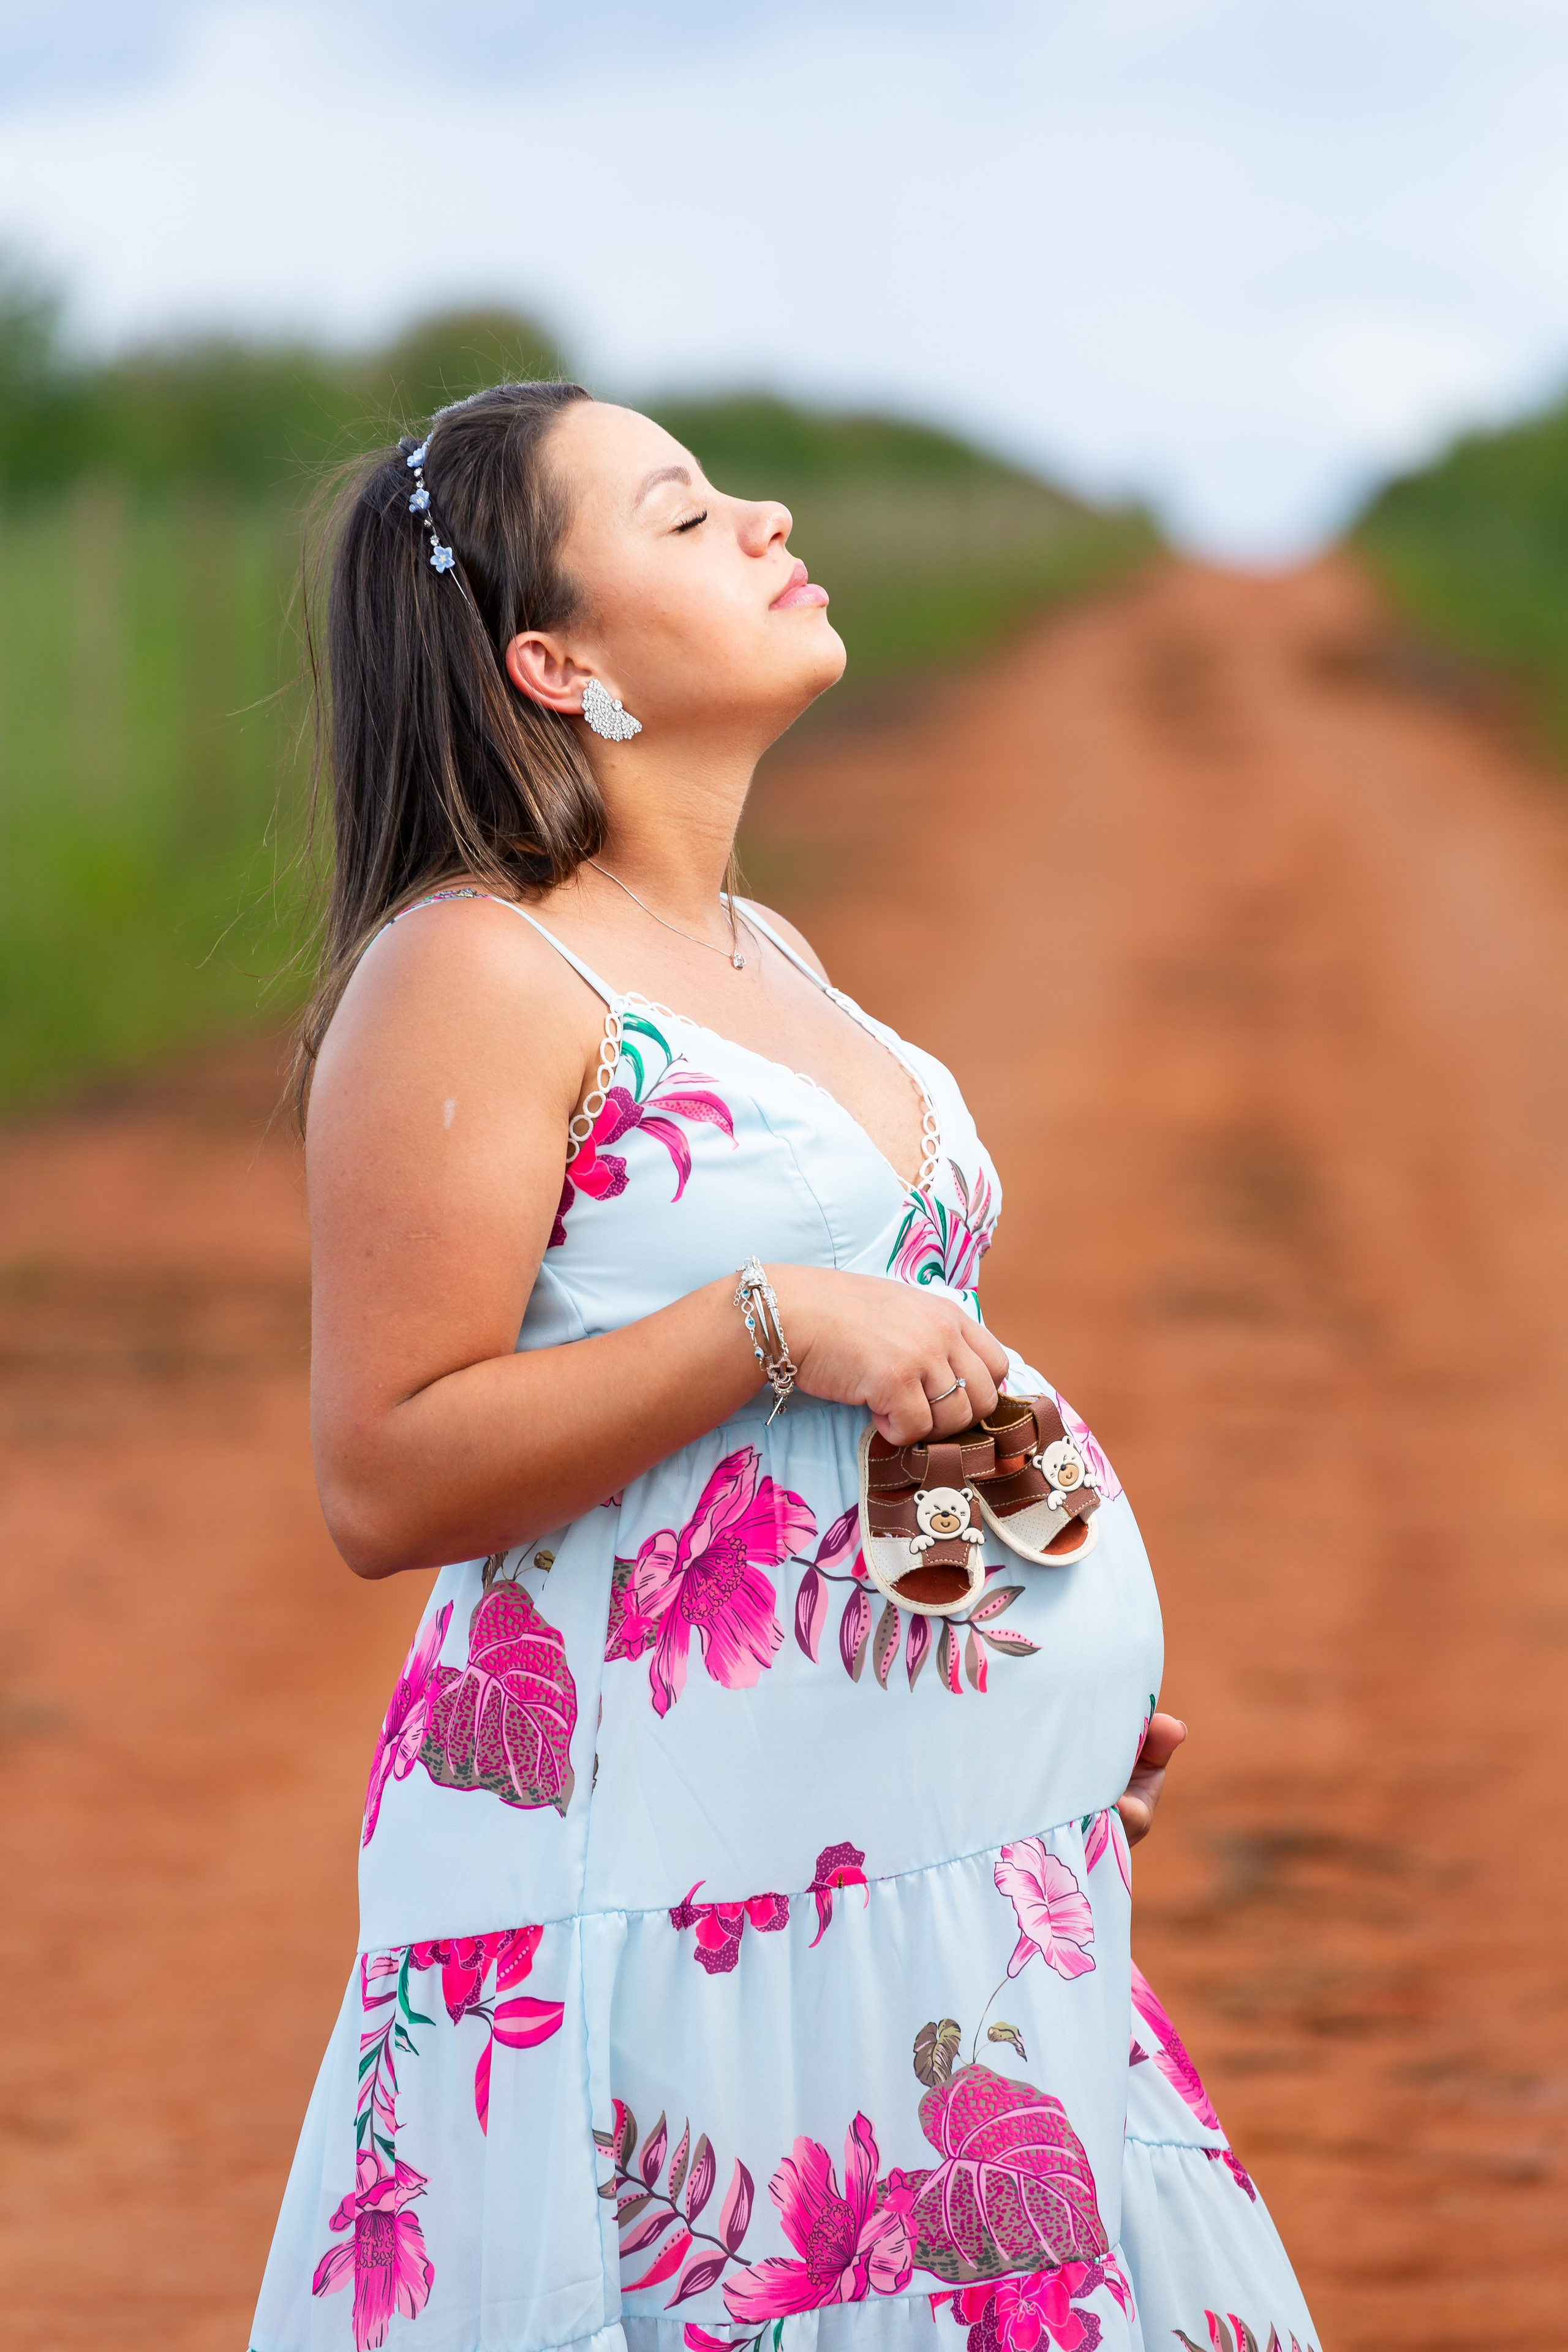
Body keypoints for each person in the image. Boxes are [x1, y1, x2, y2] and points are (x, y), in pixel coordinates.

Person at [251, 384, 1317, 2352]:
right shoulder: (477, 968)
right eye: (681, 514)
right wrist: (770, 1323)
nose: (765, 513)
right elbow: (383, 1472)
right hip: (662, 1915)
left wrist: (1012, 1704)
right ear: (554, 663)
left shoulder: (770, 955)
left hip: (905, 1881)